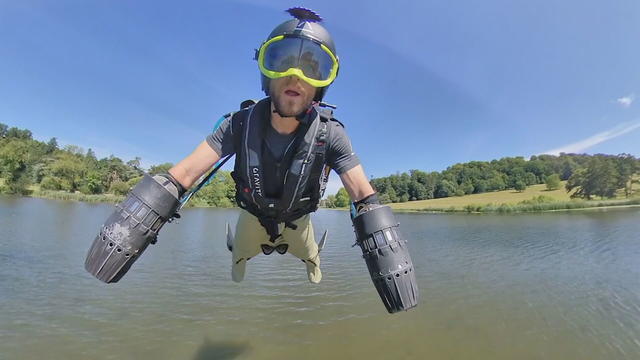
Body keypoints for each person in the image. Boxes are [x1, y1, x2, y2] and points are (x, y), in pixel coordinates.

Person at [85, 8, 418, 313]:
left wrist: (392, 264)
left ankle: (310, 262)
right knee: (238, 267)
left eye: (312, 68)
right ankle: (242, 257)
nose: (295, 76)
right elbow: (183, 175)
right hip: (251, 217)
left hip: (300, 222)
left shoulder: (331, 135)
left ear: (322, 85)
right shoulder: (238, 125)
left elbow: (364, 196)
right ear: (266, 72)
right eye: (281, 60)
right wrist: (123, 233)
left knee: (313, 263)